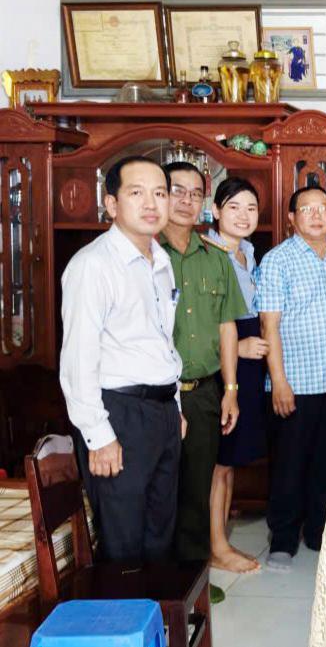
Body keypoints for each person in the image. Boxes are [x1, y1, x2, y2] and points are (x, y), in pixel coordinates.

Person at [59, 156, 184, 561]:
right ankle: (121, 606)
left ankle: (154, 606)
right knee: (123, 542)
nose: (151, 203)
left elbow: (162, 340)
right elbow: (78, 359)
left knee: (160, 536)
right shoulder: (93, 265)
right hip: (119, 414)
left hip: (161, 413)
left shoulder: (160, 260)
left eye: (160, 193)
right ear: (111, 204)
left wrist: (175, 405)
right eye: (137, 193)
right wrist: (99, 436)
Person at [257, 185, 326, 572]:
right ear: (291, 218)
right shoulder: (277, 260)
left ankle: (319, 534)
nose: (315, 216)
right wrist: (279, 381)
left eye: (322, 209)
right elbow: (269, 325)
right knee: (289, 464)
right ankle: (283, 539)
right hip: (295, 382)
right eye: (306, 209)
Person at [160, 162, 245, 570]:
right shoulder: (146, 255)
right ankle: (156, 584)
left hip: (204, 392)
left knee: (197, 491)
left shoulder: (216, 258)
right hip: (157, 397)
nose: (186, 201)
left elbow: (227, 327)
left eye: (196, 194)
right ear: (161, 195)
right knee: (158, 491)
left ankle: (190, 588)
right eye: (177, 191)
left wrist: (230, 390)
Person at [206, 177, 269, 574]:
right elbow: (197, 325)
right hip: (224, 362)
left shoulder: (247, 252)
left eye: (251, 208)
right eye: (233, 207)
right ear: (215, 211)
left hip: (248, 362)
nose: (243, 216)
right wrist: (238, 347)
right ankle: (215, 545)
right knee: (219, 461)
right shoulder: (209, 255)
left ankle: (221, 538)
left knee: (230, 459)